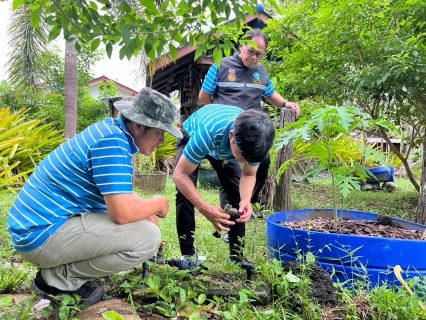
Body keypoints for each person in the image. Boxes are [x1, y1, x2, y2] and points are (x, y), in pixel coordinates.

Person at [8, 87, 182, 306]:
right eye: (159, 133)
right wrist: (159, 202)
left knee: (146, 228)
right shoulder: (112, 143)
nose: (162, 140)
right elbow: (123, 213)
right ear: (138, 126)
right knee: (148, 239)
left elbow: (124, 198)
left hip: (38, 228)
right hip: (40, 235)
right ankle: (55, 280)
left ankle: (59, 274)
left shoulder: (111, 133)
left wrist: (147, 210)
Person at [199, 28, 300, 217]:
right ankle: (230, 214)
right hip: (229, 131)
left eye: (258, 54)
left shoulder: (261, 72)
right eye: (251, 51)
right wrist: (218, 113)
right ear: (241, 46)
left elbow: (270, 95)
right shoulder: (220, 66)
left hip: (253, 131)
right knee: (230, 171)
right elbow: (204, 95)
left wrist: (286, 103)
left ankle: (246, 203)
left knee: (263, 161)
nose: (254, 57)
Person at [174, 105, 275, 263]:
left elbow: (249, 173)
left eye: (250, 159)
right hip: (193, 134)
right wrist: (205, 209)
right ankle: (188, 255)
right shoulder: (207, 133)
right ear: (232, 136)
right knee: (185, 192)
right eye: (242, 157)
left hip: (222, 146)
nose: (245, 162)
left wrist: (246, 199)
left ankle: (237, 256)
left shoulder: (255, 142)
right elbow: (180, 175)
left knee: (236, 193)